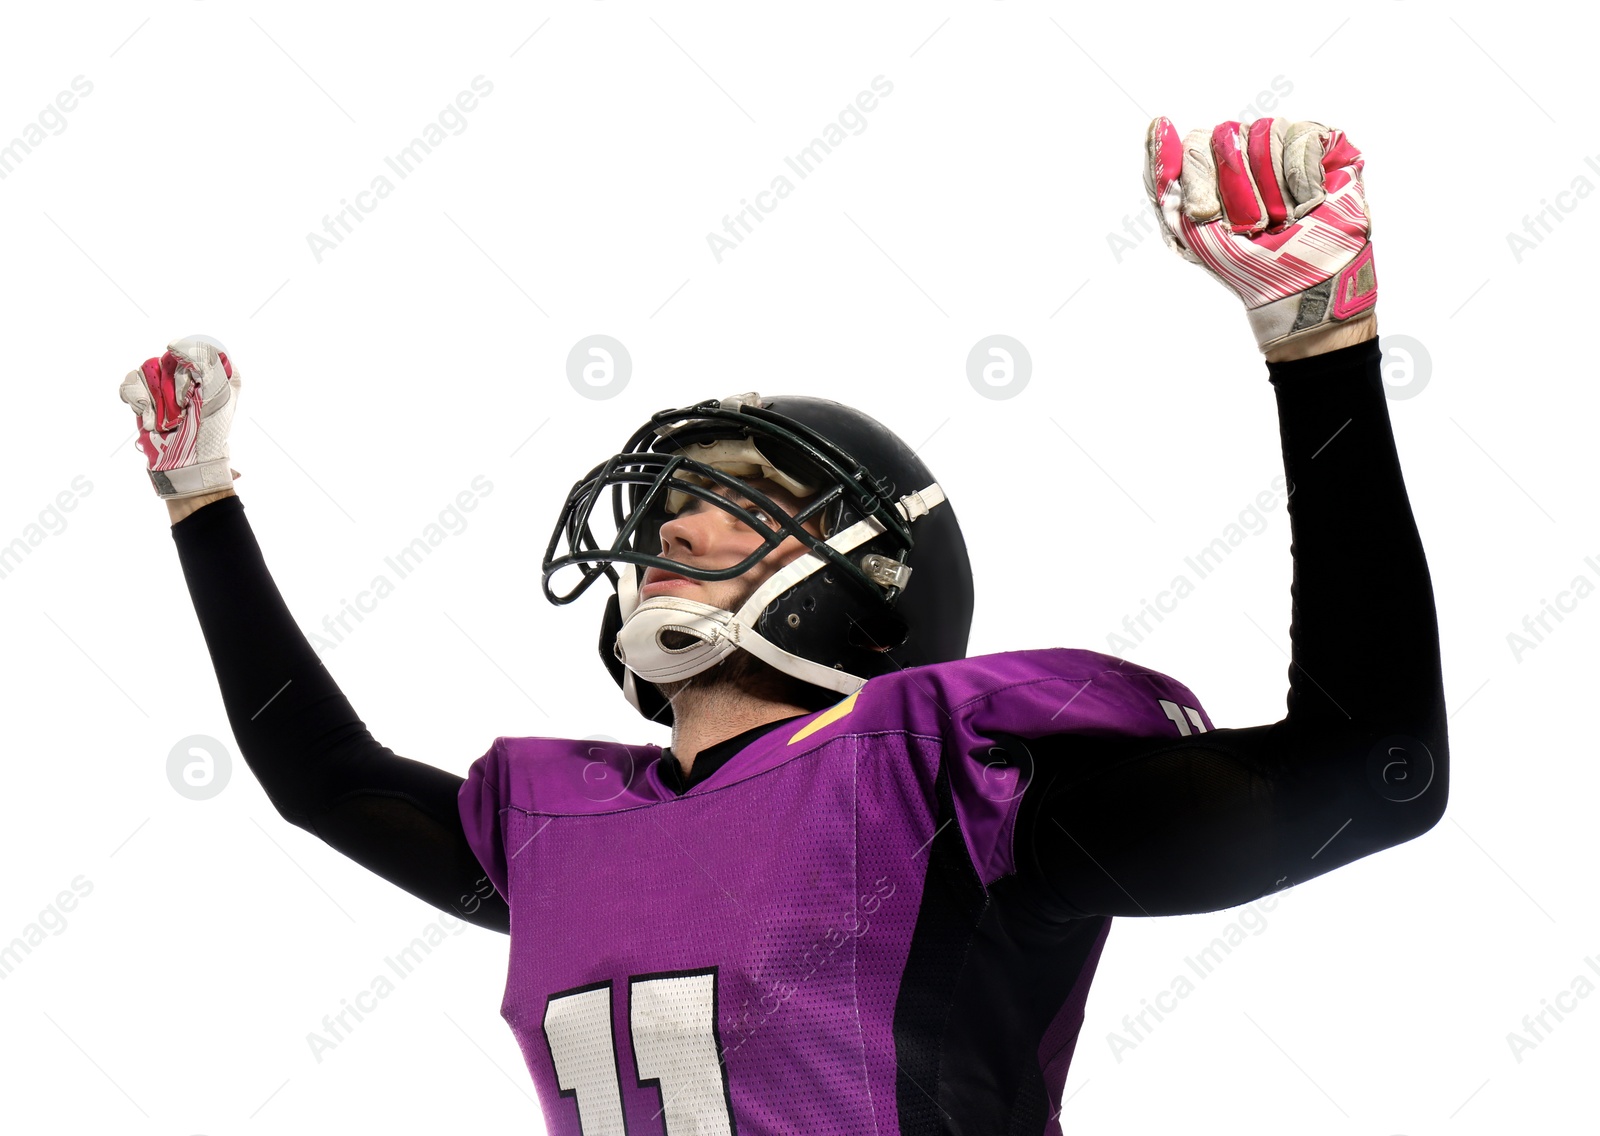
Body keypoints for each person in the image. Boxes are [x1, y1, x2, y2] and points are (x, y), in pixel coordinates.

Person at [121, 115, 1447, 1134]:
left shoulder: (939, 785)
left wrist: (1318, 354)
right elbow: (326, 778)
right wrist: (202, 499)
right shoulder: (558, 828)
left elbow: (1372, 779)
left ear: (879, 573)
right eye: (668, 505)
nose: (673, 534)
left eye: (742, 501)